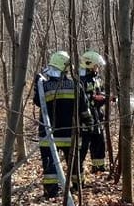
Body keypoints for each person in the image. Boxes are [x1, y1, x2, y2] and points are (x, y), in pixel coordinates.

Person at [33, 50, 92, 198]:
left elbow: (37, 102)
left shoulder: (44, 86)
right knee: (74, 161)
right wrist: (89, 123)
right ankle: (78, 186)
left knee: (50, 164)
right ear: (66, 68)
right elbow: (84, 108)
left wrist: (37, 85)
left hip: (49, 133)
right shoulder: (75, 85)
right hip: (70, 133)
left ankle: (51, 191)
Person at [77, 50, 109, 176]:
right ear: (89, 65)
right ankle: (77, 170)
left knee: (99, 142)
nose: (98, 68)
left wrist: (105, 98)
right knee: (83, 146)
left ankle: (98, 168)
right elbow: (81, 100)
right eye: (96, 65)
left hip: (97, 117)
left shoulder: (97, 78)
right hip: (85, 119)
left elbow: (100, 93)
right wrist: (94, 98)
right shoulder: (81, 80)